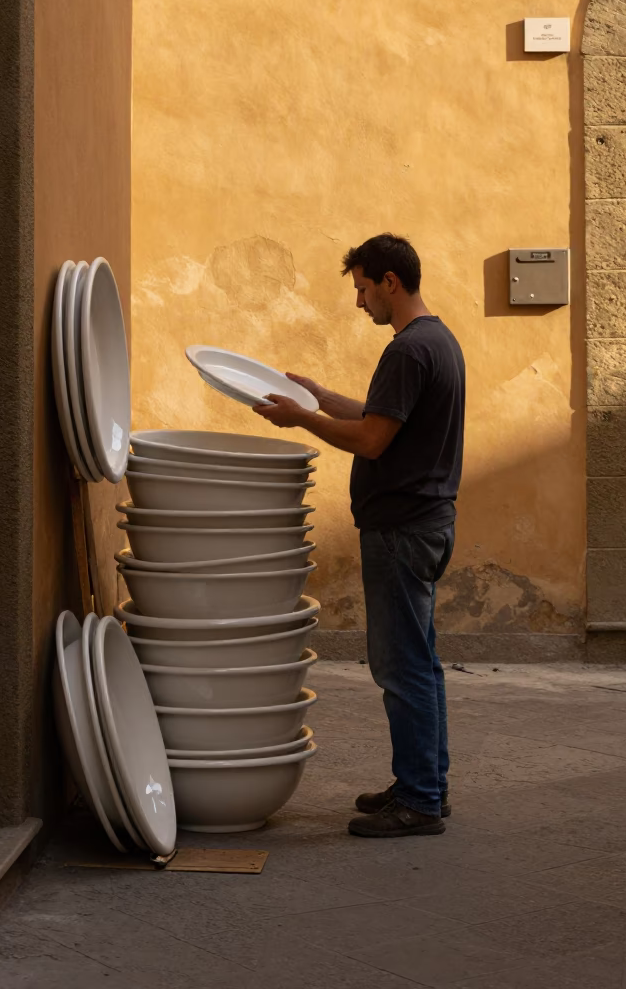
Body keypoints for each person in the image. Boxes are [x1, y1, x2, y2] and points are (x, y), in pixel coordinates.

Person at [252, 233, 465, 838]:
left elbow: (372, 440)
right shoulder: (436, 341)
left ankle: (421, 801)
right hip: (424, 523)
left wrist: (303, 420)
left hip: (402, 529)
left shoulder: (407, 351)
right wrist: (319, 396)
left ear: (389, 283)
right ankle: (426, 785)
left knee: (402, 669)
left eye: (363, 288)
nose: (359, 301)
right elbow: (378, 416)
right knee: (420, 664)